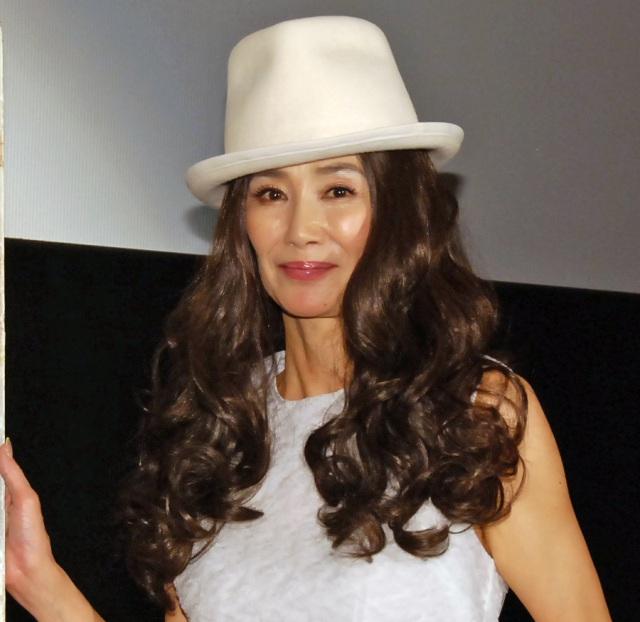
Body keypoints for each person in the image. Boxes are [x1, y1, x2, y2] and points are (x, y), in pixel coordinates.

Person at [0, 15, 611, 622]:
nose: (301, 230)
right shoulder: (221, 424)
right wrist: (38, 582)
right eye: (271, 194)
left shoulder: (475, 411)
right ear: (242, 223)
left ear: (397, 212)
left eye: (338, 190)